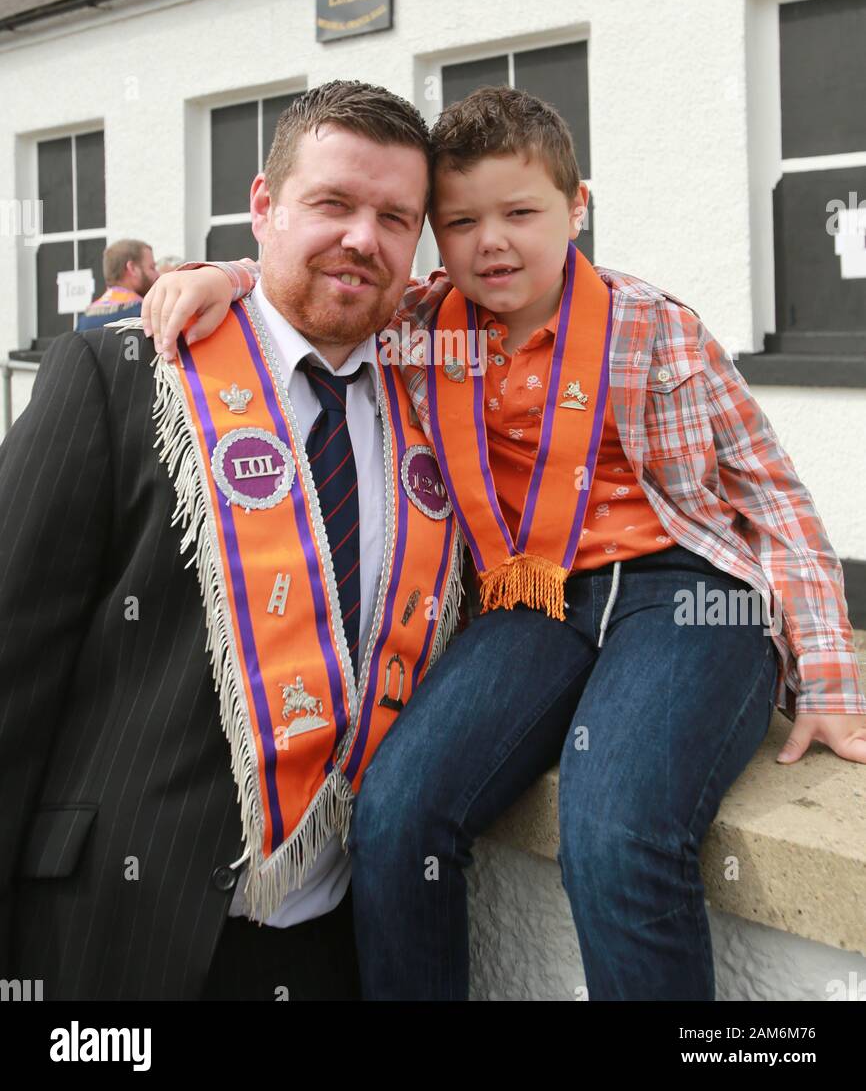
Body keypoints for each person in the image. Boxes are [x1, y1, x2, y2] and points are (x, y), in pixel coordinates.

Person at [143, 85, 866, 1002]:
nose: (492, 241)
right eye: (460, 220)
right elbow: (315, 284)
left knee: (618, 830)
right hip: (537, 599)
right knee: (397, 812)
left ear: (577, 209)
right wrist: (224, 278)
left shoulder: (653, 324)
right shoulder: (420, 326)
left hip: (684, 594)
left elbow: (776, 499)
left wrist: (831, 675)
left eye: (521, 212)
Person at [0, 81, 463, 1000]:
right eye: (332, 203)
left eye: (395, 218)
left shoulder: (441, 412)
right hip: (115, 939)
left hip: (333, 948)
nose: (362, 239)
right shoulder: (122, 373)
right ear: (263, 206)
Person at [76, 238, 159, 330]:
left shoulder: (84, 320)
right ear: (132, 268)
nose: (157, 275)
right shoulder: (144, 315)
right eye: (152, 268)